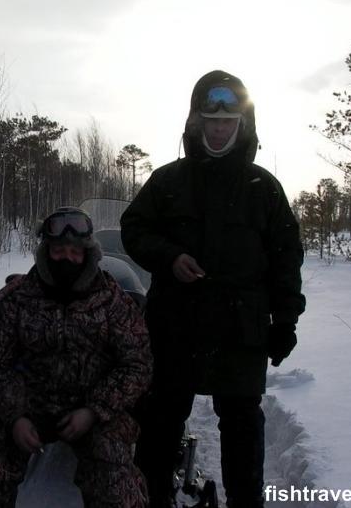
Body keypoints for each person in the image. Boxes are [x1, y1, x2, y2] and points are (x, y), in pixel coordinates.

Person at [120, 70, 306, 508]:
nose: (219, 130)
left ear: (242, 126)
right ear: (195, 123)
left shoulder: (264, 188)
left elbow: (286, 258)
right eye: (211, 121)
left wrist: (286, 320)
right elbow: (134, 228)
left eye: (228, 123)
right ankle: (153, 499)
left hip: (240, 329)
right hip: (175, 325)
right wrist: (169, 257)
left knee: (242, 423)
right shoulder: (167, 181)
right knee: (162, 418)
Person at [0, 207, 153, 508]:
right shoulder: (16, 298)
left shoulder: (114, 301)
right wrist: (15, 416)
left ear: (89, 254)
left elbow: (137, 365)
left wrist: (94, 410)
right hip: (28, 404)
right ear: (46, 251)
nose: (67, 257)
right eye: (59, 249)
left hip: (94, 410)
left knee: (119, 490)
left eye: (75, 250)